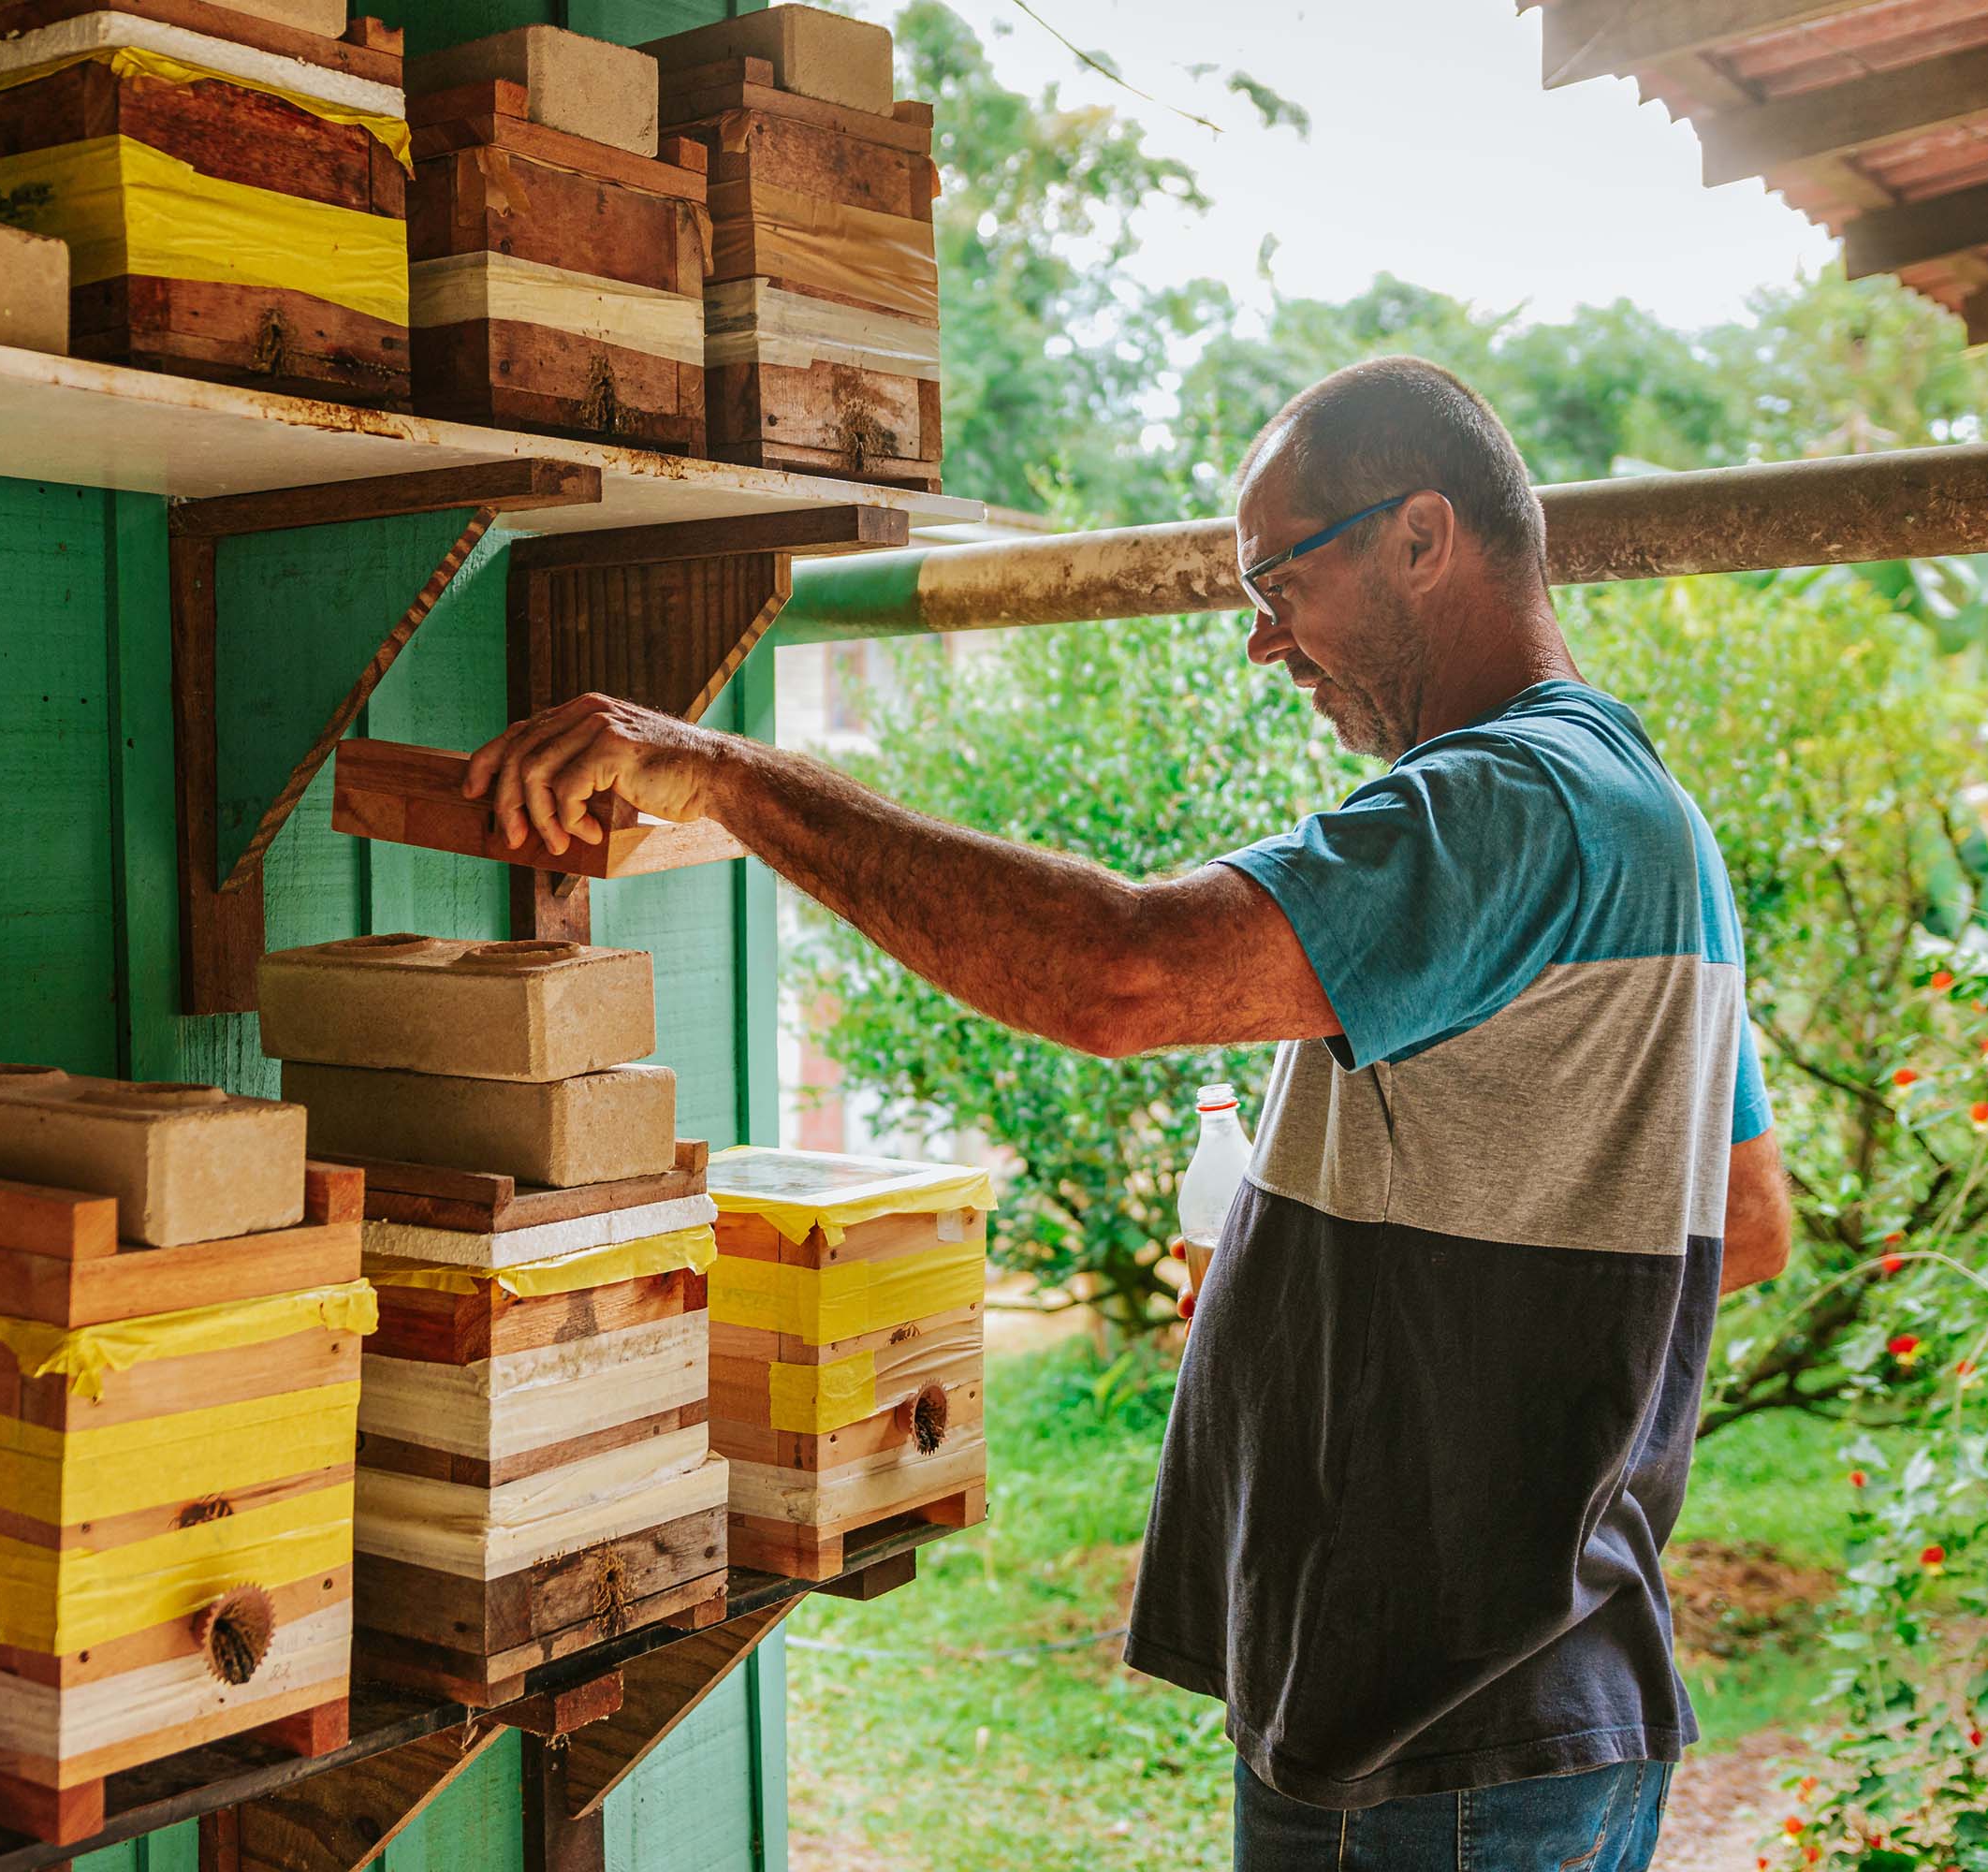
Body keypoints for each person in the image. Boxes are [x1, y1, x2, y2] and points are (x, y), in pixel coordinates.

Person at [463, 356, 1795, 1871]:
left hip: (1433, 1731)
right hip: (1530, 1707)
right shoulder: (1643, 819)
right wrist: (1343, 1292)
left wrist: (724, 776)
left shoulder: (1508, 805)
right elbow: (1743, 1226)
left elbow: (1120, 978)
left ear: (1424, 536)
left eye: (1278, 580)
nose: (1261, 643)